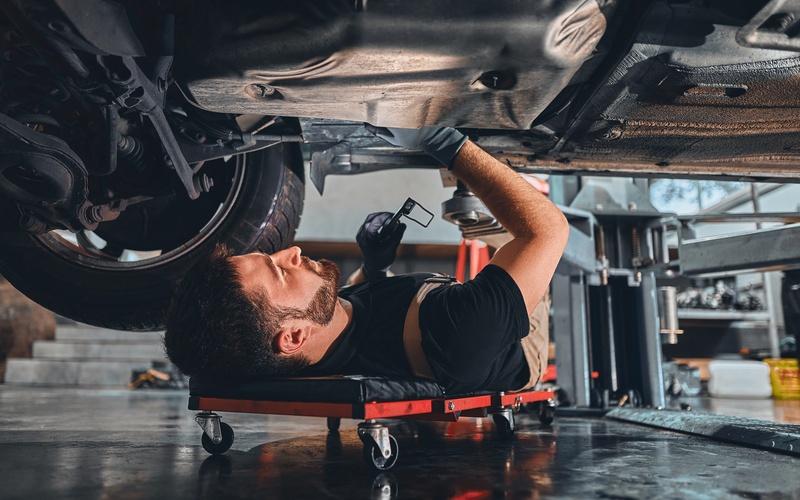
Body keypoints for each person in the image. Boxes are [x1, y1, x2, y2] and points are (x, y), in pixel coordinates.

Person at [164, 126, 569, 394]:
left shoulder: (305, 343)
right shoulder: (458, 334)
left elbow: (356, 313)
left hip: (430, 308)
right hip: (514, 344)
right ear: (293, 337)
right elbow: (549, 231)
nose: (292, 252)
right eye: (280, 271)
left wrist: (375, 265)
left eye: (273, 255)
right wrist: (445, 141)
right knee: (504, 225)